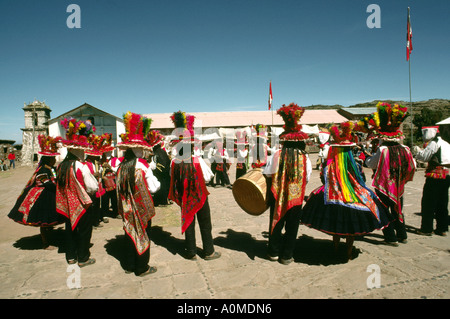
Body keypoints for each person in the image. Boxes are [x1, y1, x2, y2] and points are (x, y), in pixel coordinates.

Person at [300, 121, 394, 261]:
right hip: (353, 195)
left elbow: (324, 178)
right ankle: (348, 251)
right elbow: (361, 178)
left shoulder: (329, 165)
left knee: (335, 226)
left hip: (333, 195)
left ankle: (336, 247)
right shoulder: (355, 164)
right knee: (351, 231)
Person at [263, 103, 312, 265]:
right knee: (292, 227)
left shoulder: (277, 155)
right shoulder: (305, 158)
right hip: (296, 197)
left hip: (279, 195)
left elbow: (268, 173)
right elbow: (307, 177)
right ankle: (287, 255)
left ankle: (273, 252)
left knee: (276, 221)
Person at [168, 111, 220, 261]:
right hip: (200, 196)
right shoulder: (197, 160)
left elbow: (173, 178)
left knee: (189, 221)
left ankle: (191, 252)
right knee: (205, 223)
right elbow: (208, 176)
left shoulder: (174, 162)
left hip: (185, 196)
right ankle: (209, 251)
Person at [364, 103, 416, 246]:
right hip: (399, 185)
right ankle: (402, 235)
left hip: (384, 185)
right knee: (397, 208)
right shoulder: (405, 148)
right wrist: (402, 178)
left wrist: (367, 157)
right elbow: (413, 166)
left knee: (383, 210)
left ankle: (391, 237)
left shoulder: (383, 150)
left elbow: (371, 164)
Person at [116, 111, 160, 276]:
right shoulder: (142, 166)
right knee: (142, 235)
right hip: (140, 208)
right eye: (141, 148)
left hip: (126, 208)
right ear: (137, 149)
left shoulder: (121, 166)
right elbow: (154, 187)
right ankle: (142, 267)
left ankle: (129, 265)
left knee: (128, 234)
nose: (143, 151)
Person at [8, 134, 65, 249]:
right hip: (43, 197)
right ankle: (45, 243)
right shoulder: (43, 169)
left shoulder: (51, 168)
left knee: (49, 221)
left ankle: (49, 238)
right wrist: (60, 186)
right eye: (53, 158)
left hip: (51, 194)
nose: (54, 160)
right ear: (48, 159)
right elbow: (47, 183)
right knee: (44, 220)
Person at [56, 118, 98, 267]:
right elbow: (93, 187)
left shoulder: (61, 166)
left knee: (70, 229)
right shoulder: (81, 166)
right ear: (77, 150)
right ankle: (83, 257)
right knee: (84, 231)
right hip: (82, 203)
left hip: (68, 203)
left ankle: (71, 256)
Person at [415, 126, 450, 236]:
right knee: (442, 202)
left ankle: (426, 228)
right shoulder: (446, 143)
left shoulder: (434, 143)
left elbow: (424, 157)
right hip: (446, 174)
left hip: (435, 175)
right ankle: (442, 228)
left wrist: (418, 152)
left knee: (428, 202)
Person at [146, 130, 171, 206]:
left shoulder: (158, 152)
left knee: (161, 186)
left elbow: (162, 164)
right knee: (161, 187)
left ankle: (162, 200)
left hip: (160, 174)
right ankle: (161, 200)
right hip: (160, 174)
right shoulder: (158, 152)